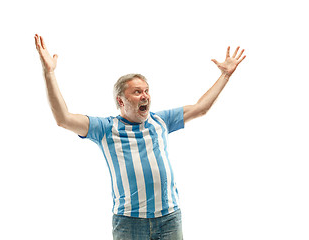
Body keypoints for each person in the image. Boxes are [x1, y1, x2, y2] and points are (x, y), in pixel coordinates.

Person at [34, 34, 246, 240]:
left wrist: (225, 75)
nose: (145, 96)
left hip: (169, 218)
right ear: (121, 101)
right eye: (137, 92)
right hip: (129, 223)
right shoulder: (105, 128)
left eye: (146, 91)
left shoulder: (161, 121)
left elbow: (200, 108)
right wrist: (49, 73)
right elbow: (63, 118)